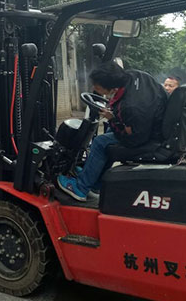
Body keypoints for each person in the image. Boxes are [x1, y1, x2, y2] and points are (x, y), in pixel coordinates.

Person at [57, 62, 167, 202]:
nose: (93, 88)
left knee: (100, 142)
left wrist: (113, 119)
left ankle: (80, 188)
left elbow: (132, 139)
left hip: (149, 137)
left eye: (97, 86)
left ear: (112, 88)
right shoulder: (137, 75)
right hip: (153, 123)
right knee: (109, 131)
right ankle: (95, 181)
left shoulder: (130, 107)